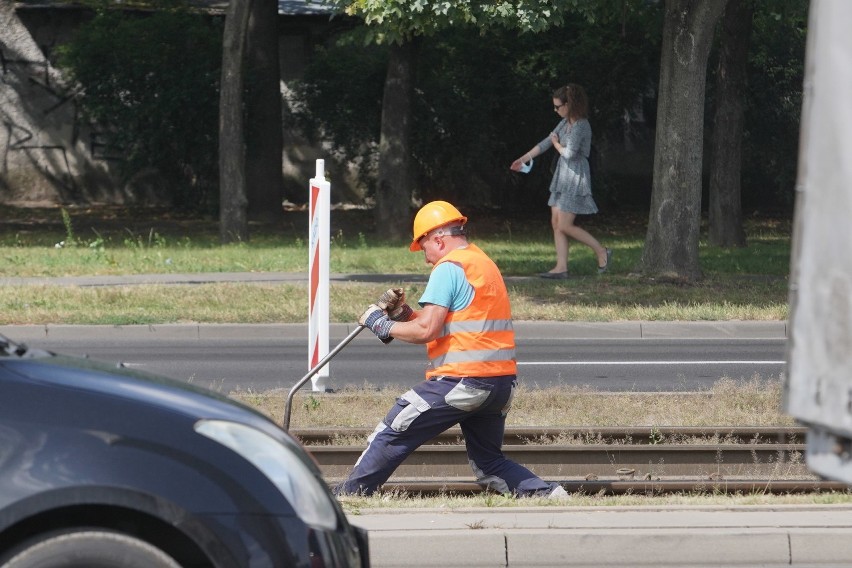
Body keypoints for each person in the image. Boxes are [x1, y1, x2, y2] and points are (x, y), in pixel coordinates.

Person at [335, 200, 568, 499]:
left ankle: (350, 495)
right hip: (499, 384)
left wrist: (380, 324)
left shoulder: (448, 268)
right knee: (488, 462)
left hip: (462, 381)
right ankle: (549, 495)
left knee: (394, 428)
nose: (425, 259)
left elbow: (427, 330)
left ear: (439, 240)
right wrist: (402, 314)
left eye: (424, 249)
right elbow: (450, 322)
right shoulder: (482, 263)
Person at [511, 83, 612, 279]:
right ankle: (561, 267)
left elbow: (570, 154)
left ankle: (601, 251)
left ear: (570, 104)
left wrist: (557, 143)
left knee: (565, 224)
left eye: (558, 106)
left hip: (575, 176)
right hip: (562, 176)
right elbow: (546, 143)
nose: (555, 110)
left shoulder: (582, 125)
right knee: (556, 223)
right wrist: (523, 159)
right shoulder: (565, 123)